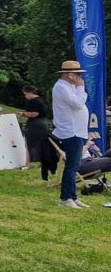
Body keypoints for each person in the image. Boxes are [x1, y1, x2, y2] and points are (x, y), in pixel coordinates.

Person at [51, 60, 90, 209]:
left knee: (75, 164)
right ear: (69, 74)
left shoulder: (69, 87)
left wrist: (78, 88)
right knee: (72, 165)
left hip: (76, 130)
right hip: (71, 131)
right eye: (77, 74)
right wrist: (81, 88)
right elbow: (78, 104)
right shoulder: (61, 87)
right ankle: (65, 198)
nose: (80, 77)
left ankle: (72, 196)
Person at [17, 85, 48, 171]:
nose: (25, 96)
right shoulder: (41, 100)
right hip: (43, 123)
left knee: (29, 144)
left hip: (35, 124)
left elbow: (34, 114)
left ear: (30, 93)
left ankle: (28, 164)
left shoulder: (34, 101)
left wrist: (23, 114)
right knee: (41, 144)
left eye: (25, 94)